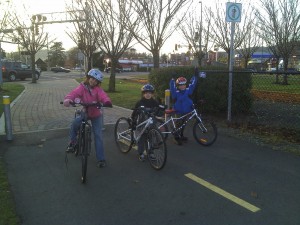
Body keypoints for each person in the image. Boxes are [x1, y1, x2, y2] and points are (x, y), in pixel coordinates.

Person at [63, 69, 112, 168]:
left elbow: (104, 96)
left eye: (96, 80)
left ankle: (101, 159)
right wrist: (68, 99)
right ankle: (72, 142)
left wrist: (107, 101)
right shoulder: (82, 87)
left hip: (96, 114)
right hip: (85, 112)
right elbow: (74, 93)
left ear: (98, 83)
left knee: (98, 136)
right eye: (92, 78)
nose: (93, 81)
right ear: (88, 78)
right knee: (75, 123)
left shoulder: (98, 90)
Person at [131, 84, 160, 161]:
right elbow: (134, 113)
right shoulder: (140, 102)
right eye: (146, 93)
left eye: (150, 93)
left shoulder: (154, 102)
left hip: (151, 122)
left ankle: (151, 152)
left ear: (152, 94)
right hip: (142, 122)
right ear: (143, 94)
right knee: (142, 138)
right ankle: (140, 153)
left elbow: (158, 109)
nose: (148, 94)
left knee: (152, 136)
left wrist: (161, 109)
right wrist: (133, 122)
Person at [169, 69, 198, 145]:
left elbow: (193, 84)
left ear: (186, 85)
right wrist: (172, 79)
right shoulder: (176, 93)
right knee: (178, 125)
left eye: (184, 84)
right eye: (180, 85)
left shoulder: (189, 90)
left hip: (187, 111)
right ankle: (176, 137)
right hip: (178, 112)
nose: (182, 86)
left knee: (184, 125)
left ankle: (181, 135)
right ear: (178, 86)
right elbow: (172, 88)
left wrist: (195, 76)